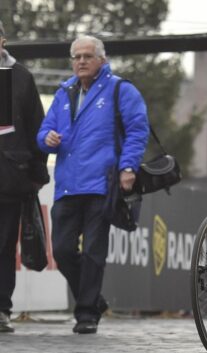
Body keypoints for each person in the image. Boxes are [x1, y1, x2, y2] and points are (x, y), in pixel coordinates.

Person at [37, 36, 149, 334]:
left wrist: (128, 167)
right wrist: (47, 138)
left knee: (93, 253)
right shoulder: (63, 92)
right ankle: (94, 300)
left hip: (102, 184)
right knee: (62, 250)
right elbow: (44, 131)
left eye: (88, 56)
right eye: (76, 56)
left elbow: (138, 130)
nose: (81, 61)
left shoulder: (120, 89)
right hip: (67, 185)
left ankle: (86, 313)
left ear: (102, 59)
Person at [0, 20, 49, 333]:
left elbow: (36, 128)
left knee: (4, 246)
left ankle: (1, 308)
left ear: (2, 40)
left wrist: (35, 172)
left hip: (10, 178)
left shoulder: (20, 77)